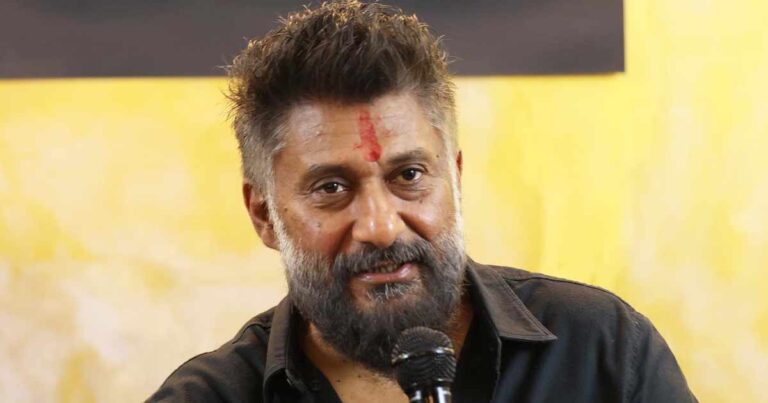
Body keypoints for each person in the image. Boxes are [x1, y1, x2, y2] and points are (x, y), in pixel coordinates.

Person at [148, 1, 696, 402]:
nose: (382, 227)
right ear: (264, 215)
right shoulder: (206, 398)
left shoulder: (604, 353)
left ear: (454, 179)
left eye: (409, 175)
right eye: (332, 188)